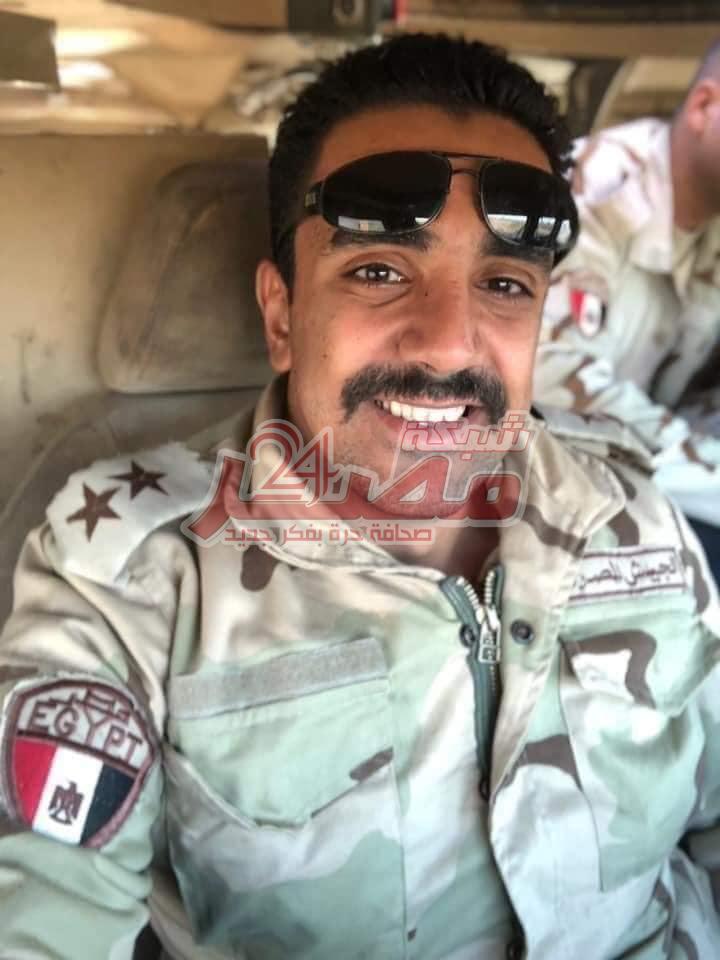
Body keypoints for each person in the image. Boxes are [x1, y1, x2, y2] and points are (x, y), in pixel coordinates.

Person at [1, 32, 719, 960]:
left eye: (504, 283)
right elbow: (42, 910)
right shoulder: (130, 571)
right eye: (378, 271)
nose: (451, 343)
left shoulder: (631, 513)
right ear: (282, 314)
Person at [535, 40, 720, 576]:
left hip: (649, 478)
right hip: (552, 487)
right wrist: (708, 472)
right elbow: (549, 382)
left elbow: (695, 392)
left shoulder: (710, 225)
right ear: (704, 108)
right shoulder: (595, 190)